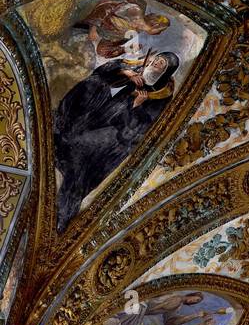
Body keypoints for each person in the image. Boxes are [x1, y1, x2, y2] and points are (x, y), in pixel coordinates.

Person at [53, 51, 179, 229]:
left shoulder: (161, 95)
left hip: (116, 137)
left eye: (160, 65)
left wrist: (136, 106)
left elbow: (139, 129)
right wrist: (126, 72)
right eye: (156, 60)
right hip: (101, 114)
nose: (155, 65)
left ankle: (63, 214)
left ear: (166, 72)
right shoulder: (139, 68)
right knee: (93, 85)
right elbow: (106, 70)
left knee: (79, 154)